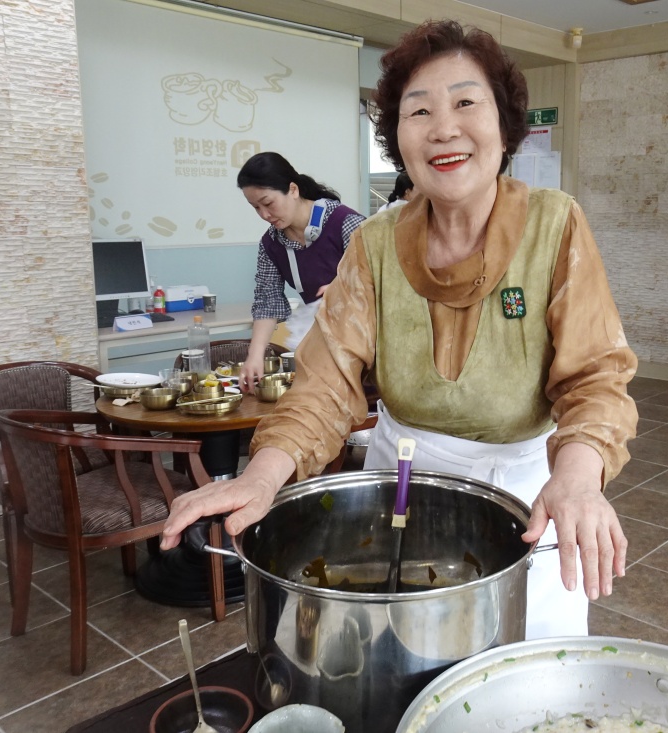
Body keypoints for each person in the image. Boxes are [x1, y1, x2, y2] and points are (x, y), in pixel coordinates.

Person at [163, 20, 638, 639]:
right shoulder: (376, 243)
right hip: (404, 477)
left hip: (530, 493)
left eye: (466, 102)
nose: (444, 127)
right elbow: (324, 385)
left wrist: (577, 478)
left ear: (504, 124)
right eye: (419, 111)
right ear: (399, 138)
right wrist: (260, 477)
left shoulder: (555, 225)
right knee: (391, 653)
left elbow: (596, 377)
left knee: (520, 676)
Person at [237, 152, 366, 391]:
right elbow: (268, 301)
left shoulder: (346, 224)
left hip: (366, 348)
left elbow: (379, 284)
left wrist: (346, 289)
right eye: (255, 207)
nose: (264, 214)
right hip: (323, 349)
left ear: (293, 189)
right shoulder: (270, 244)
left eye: (268, 203)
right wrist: (255, 356)